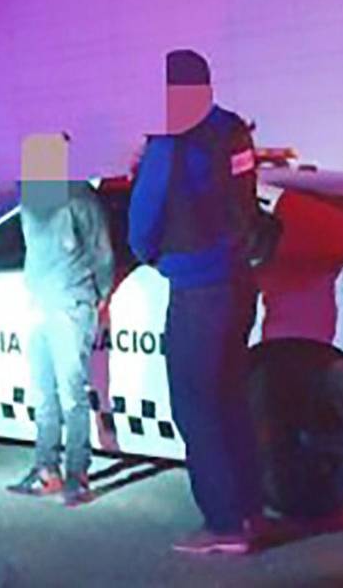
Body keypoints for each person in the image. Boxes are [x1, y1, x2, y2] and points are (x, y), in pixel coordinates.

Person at [128, 49, 263, 555]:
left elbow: (142, 221)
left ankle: (223, 525)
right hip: (240, 282)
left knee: (195, 406)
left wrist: (150, 255)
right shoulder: (233, 130)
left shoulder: (170, 143)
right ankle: (249, 510)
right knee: (230, 400)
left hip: (197, 290)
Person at [6, 133, 115, 507]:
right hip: (40, 304)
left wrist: (98, 295)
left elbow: (102, 251)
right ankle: (46, 471)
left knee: (71, 394)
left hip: (70, 304)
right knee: (43, 393)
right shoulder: (32, 197)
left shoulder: (79, 196)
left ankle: (77, 475)